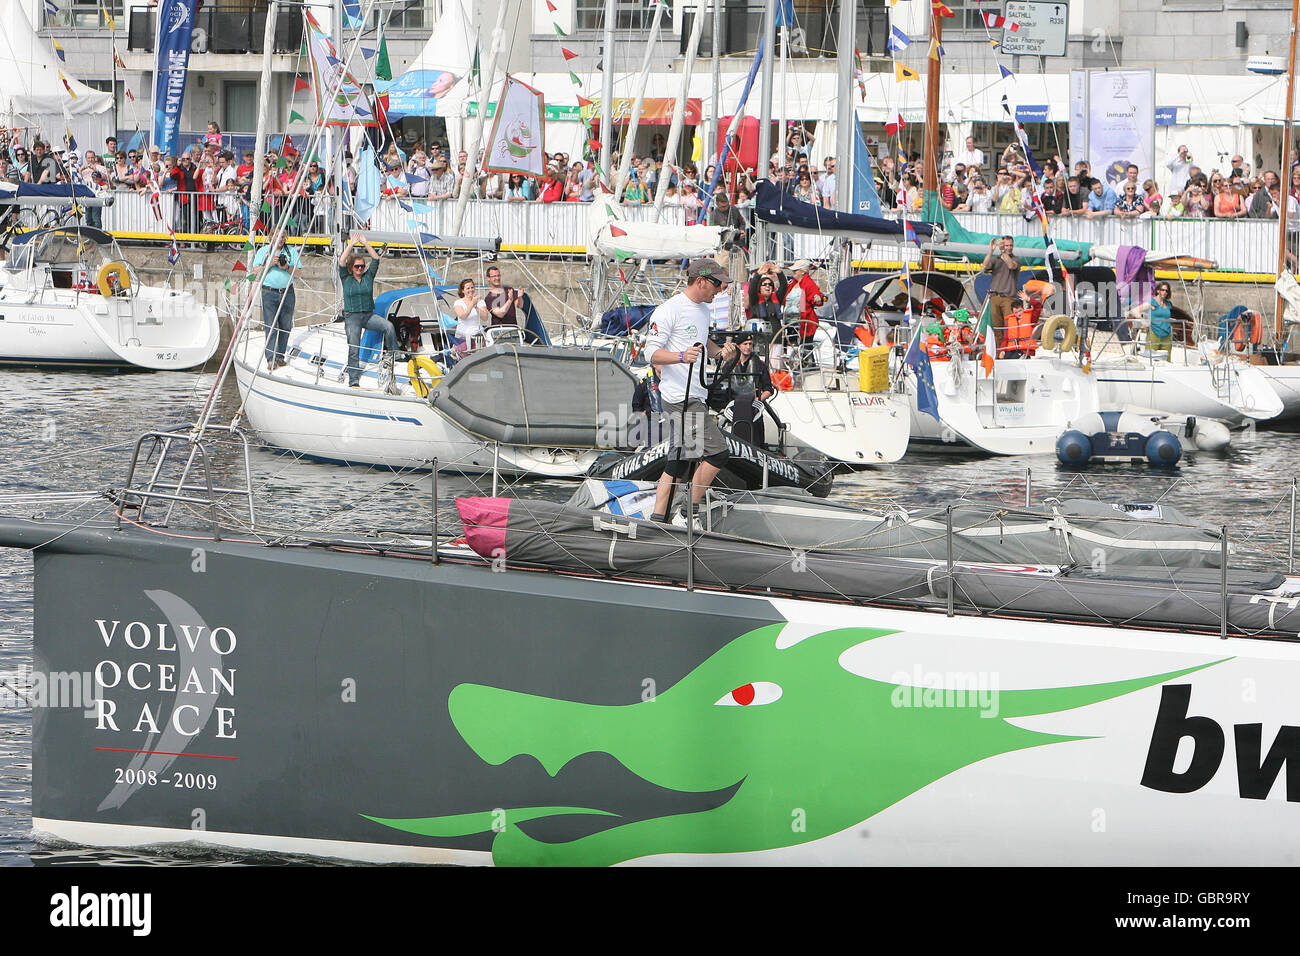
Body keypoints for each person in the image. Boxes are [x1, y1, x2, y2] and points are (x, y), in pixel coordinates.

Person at [644, 259, 738, 525]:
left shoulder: (702, 310)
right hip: (680, 397)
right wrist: (681, 356)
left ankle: (658, 519)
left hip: (694, 394)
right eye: (717, 284)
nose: (720, 289)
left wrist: (720, 351)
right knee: (718, 452)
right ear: (701, 282)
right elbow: (650, 352)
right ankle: (687, 513)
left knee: (678, 461)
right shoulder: (669, 310)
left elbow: (703, 340)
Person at [337, 233, 393, 388]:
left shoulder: (368, 277)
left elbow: (376, 259)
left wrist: (366, 243)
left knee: (389, 327)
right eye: (357, 266)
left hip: (368, 316)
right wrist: (351, 244)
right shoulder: (346, 277)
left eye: (362, 266)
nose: (360, 268)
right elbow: (341, 261)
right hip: (352, 317)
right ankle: (353, 379)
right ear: (351, 268)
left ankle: (393, 356)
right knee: (354, 347)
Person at [253, 233, 300, 371]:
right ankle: (271, 359)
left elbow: (298, 273)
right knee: (271, 326)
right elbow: (255, 271)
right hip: (269, 292)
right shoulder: (263, 251)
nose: (281, 239)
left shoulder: (291, 251)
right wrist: (269, 264)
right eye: (278, 236)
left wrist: (285, 267)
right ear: (271, 237)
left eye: (283, 236)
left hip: (287, 292)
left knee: (285, 326)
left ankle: (280, 356)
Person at [724, 333, 775, 447]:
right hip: (733, 408)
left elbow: (769, 388)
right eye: (745, 344)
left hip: (753, 409)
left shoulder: (759, 365)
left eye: (750, 344)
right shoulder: (729, 365)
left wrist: (758, 399)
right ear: (738, 346)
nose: (748, 347)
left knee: (756, 440)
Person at [981, 236, 1019, 347]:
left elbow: (1011, 265)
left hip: (1008, 298)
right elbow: (985, 265)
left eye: (1010, 245)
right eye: (1006, 245)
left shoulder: (1016, 259)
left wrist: (1002, 251)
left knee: (1008, 327)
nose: (1009, 247)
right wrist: (991, 250)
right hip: (995, 297)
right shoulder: (996, 259)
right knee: (996, 328)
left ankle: (1008, 349)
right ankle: (998, 351)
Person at [1127, 281, 1175, 357]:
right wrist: (1143, 320)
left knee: (1166, 360)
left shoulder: (1168, 304)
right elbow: (1134, 311)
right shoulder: (1151, 302)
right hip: (1154, 334)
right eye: (1162, 290)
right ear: (1158, 290)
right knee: (1151, 359)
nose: (1165, 292)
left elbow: (1166, 317)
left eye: (1167, 290)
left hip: (1167, 335)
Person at [789, 259, 825, 340]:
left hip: (806, 322)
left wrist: (819, 298)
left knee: (805, 348)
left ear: (803, 271)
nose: (793, 272)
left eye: (796, 270)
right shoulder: (793, 283)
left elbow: (816, 294)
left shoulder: (808, 283)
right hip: (791, 320)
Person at [452, 277, 488, 352]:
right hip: (463, 337)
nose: (471, 290)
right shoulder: (458, 303)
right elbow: (463, 316)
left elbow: (485, 318)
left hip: (478, 337)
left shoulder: (480, 302)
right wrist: (472, 303)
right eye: (468, 288)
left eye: (472, 287)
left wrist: (476, 307)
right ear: (463, 290)